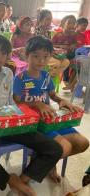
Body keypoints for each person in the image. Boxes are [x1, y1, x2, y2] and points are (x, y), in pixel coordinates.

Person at [0, 34, 63, 196]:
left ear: (7, 56)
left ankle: (23, 179)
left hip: (9, 123)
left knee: (54, 148)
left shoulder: (8, 73)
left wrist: (20, 117)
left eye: (3, 53)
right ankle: (11, 180)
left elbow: (11, 101)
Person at [13, 36, 89, 183]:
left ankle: (45, 161)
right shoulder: (20, 78)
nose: (41, 61)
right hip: (35, 122)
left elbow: (53, 95)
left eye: (45, 57)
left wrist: (62, 101)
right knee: (64, 147)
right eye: (35, 56)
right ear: (26, 55)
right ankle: (44, 164)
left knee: (83, 143)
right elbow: (16, 102)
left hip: (50, 118)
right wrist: (37, 104)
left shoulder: (46, 76)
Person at [52, 15, 78, 91]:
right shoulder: (58, 34)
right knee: (64, 63)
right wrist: (61, 46)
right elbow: (51, 45)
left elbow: (75, 43)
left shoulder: (73, 35)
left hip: (69, 56)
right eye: (69, 23)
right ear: (63, 23)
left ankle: (70, 84)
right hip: (59, 56)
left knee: (78, 66)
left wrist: (73, 45)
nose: (71, 25)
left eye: (73, 23)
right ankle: (56, 79)